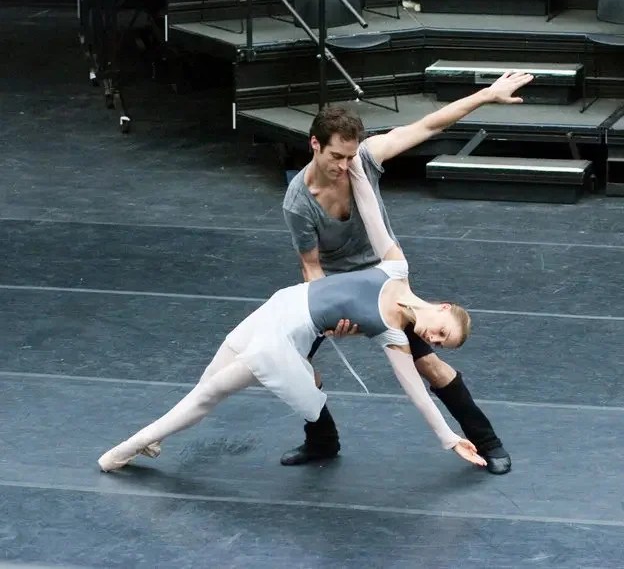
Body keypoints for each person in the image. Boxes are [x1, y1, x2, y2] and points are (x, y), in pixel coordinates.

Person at [278, 71, 534, 475]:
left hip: (386, 282)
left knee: (429, 364)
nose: (345, 166)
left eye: (351, 156)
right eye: (336, 158)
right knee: (292, 367)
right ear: (315, 145)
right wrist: (329, 316)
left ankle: (487, 441)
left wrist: (486, 95)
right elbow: (311, 266)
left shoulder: (364, 159)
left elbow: (428, 125)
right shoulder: (297, 203)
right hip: (340, 289)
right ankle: (321, 441)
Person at [97, 254, 487, 472]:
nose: (432, 340)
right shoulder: (395, 267)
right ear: (443, 307)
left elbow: (417, 392)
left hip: (280, 343)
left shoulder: (394, 335)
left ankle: (124, 450)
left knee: (208, 395)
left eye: (440, 344)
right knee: (207, 384)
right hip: (276, 307)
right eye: (441, 332)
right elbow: (370, 201)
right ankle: (154, 440)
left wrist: (448, 438)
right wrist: (357, 164)